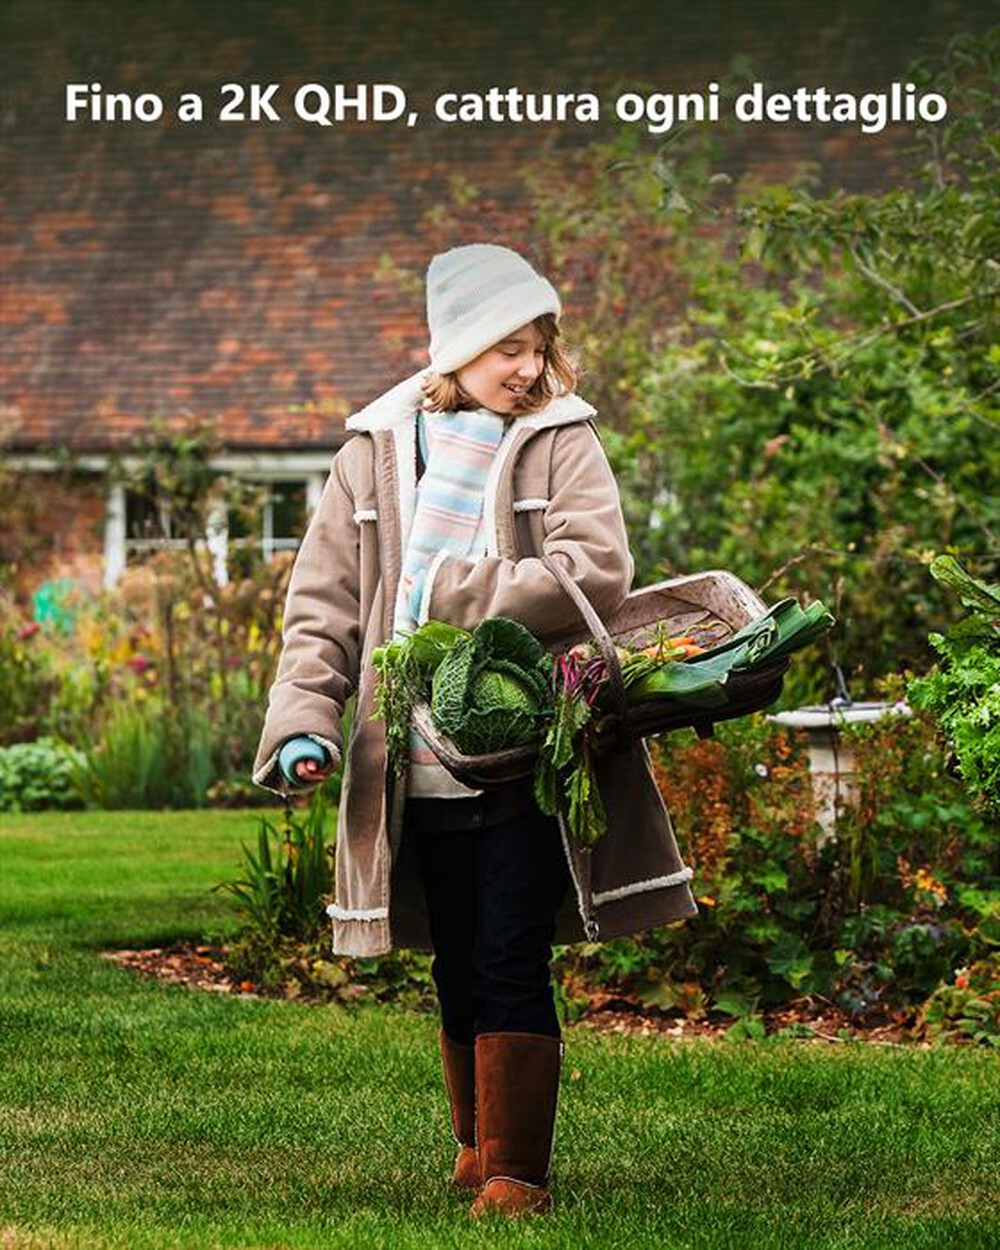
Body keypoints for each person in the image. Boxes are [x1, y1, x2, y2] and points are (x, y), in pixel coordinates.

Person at [253, 243, 698, 1217]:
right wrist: (303, 719)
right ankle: (473, 1143)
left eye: (539, 344)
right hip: (410, 762)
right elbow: (322, 604)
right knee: (455, 952)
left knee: (505, 949)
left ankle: (516, 1173)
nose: (528, 367)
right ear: (452, 348)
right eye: (507, 346)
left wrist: (458, 592)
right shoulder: (371, 452)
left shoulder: (558, 439)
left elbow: (596, 567)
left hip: (524, 750)